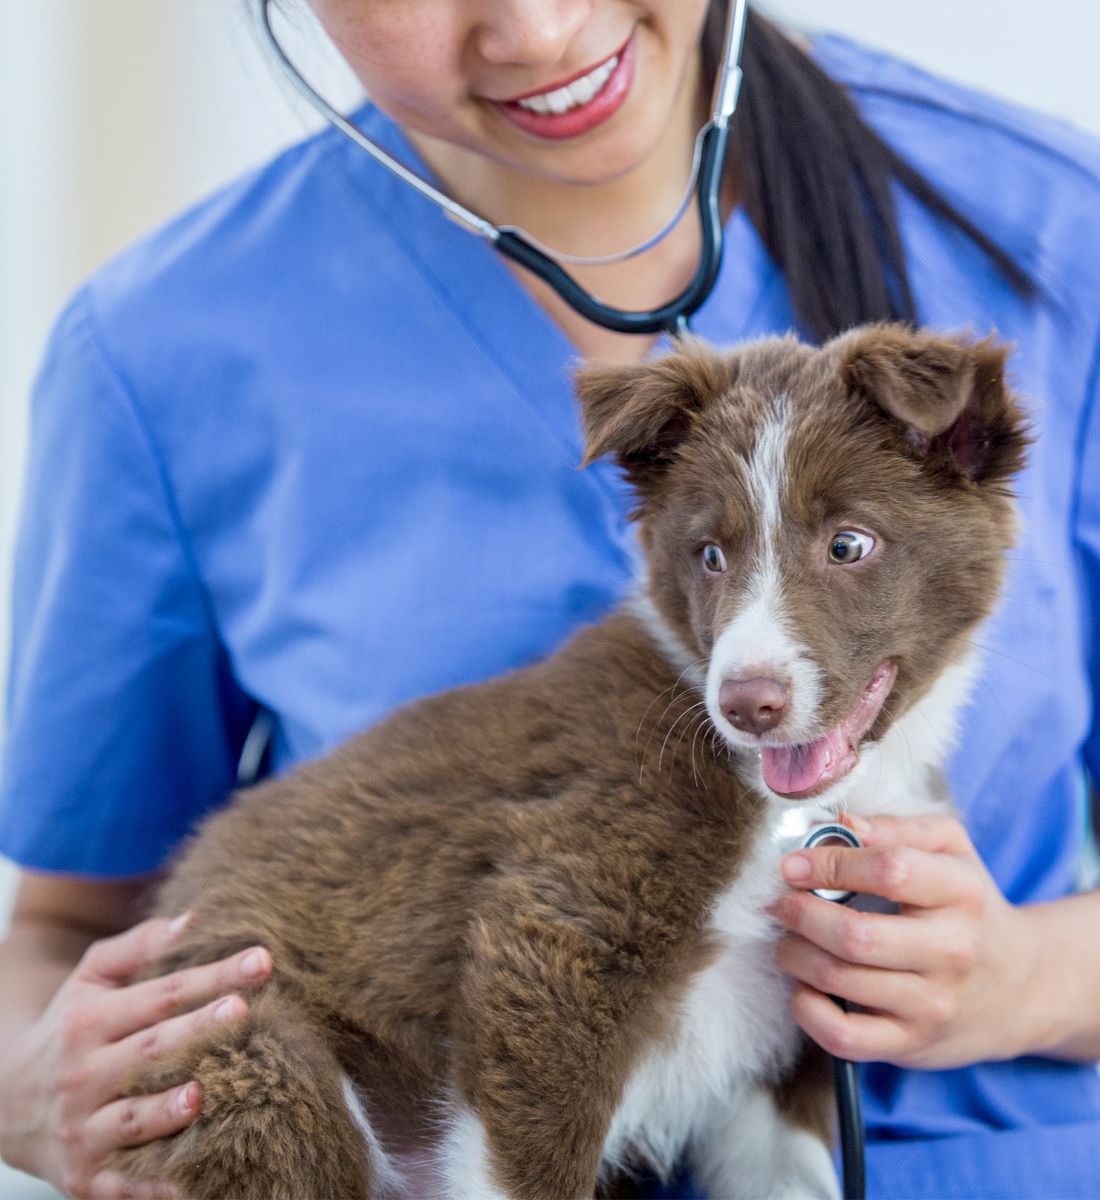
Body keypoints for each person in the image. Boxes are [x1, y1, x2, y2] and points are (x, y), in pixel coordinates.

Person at [1, 2, 1098, 1197]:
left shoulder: (1053, 224)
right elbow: (68, 934)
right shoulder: (160, 347)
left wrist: (1027, 979)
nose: (532, 30)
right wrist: (24, 1092)